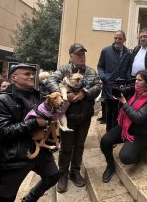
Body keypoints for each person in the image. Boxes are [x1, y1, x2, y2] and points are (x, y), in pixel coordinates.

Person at [0, 64, 59, 201]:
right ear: (14, 77)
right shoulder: (0, 99)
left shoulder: (38, 96)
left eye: (32, 73)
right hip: (15, 157)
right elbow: (1, 132)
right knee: (6, 198)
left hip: (40, 152)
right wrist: (34, 123)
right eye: (27, 74)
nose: (32, 76)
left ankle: (30, 199)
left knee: (53, 176)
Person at [46, 43, 102, 193]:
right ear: (71, 57)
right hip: (68, 116)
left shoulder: (91, 71)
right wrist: (64, 94)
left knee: (79, 145)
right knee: (65, 147)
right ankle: (62, 174)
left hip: (85, 116)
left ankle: (75, 172)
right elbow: (50, 80)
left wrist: (85, 93)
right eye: (78, 54)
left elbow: (98, 86)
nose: (81, 56)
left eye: (83, 54)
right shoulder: (64, 69)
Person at [100, 70, 147, 183]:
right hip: (126, 126)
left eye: (140, 80)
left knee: (126, 157)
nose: (136, 82)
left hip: (139, 132)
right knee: (105, 141)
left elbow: (139, 118)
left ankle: (138, 150)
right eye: (136, 79)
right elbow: (123, 111)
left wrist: (124, 102)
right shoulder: (135, 91)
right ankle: (110, 166)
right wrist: (120, 98)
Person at [97, 30, 132, 132]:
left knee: (120, 111)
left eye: (120, 38)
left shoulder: (128, 53)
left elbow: (129, 69)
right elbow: (100, 66)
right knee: (110, 111)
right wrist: (103, 77)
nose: (117, 40)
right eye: (115, 38)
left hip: (122, 86)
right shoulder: (106, 51)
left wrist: (128, 81)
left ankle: (116, 133)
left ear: (124, 40)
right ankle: (109, 132)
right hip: (109, 84)